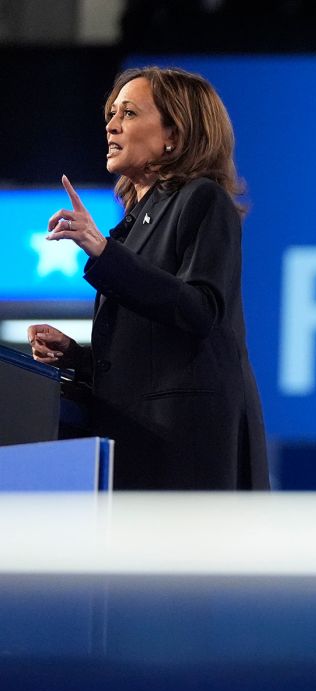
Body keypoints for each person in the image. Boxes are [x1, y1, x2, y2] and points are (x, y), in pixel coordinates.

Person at [26, 66, 268, 490]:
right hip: (138, 441)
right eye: (112, 113)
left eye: (130, 113)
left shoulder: (202, 199)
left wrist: (102, 250)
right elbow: (152, 352)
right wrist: (77, 357)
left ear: (174, 134)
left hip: (184, 451)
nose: (112, 124)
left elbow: (201, 311)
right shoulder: (132, 225)